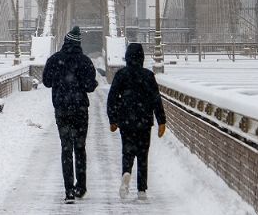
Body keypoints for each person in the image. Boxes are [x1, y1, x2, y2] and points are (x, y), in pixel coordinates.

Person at [42, 25, 98, 203]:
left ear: (65, 42)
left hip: (62, 110)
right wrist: (89, 83)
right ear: (79, 43)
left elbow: (46, 82)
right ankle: (80, 187)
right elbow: (90, 87)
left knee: (66, 149)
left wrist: (61, 81)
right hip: (80, 110)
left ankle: (68, 191)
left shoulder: (54, 60)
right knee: (80, 148)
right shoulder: (85, 61)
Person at [106, 42, 166, 200]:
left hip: (126, 120)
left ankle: (126, 173)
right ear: (142, 57)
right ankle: (141, 189)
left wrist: (113, 119)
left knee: (127, 151)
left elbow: (112, 98)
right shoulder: (148, 75)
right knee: (142, 154)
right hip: (144, 120)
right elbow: (156, 99)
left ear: (126, 57)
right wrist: (161, 121)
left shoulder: (121, 74)